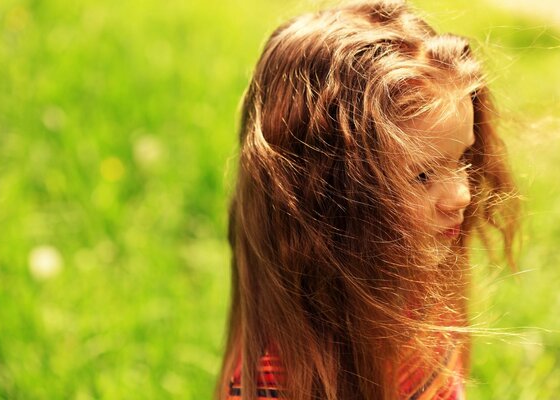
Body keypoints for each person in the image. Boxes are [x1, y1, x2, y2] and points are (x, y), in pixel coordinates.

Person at [217, 1, 520, 399]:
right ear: (327, 199)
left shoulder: (412, 292)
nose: (461, 195)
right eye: (423, 175)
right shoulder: (283, 381)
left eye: (462, 158)